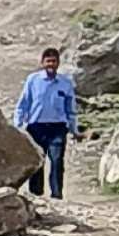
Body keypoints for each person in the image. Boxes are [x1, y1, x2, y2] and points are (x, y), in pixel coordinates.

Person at [13, 46, 78, 197]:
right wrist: (18, 126)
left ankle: (56, 195)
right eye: (48, 61)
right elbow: (23, 105)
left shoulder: (65, 83)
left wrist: (74, 129)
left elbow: (71, 109)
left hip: (57, 128)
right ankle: (36, 195)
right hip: (36, 127)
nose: (51, 64)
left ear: (58, 63)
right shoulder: (33, 80)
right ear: (42, 63)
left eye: (54, 61)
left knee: (56, 161)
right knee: (38, 163)